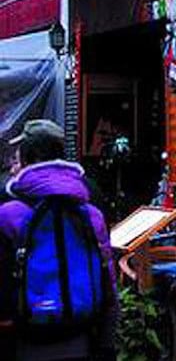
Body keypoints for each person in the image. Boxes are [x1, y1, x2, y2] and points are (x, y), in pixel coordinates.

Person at [0, 119, 117, 360]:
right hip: (82, 332)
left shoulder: (9, 213)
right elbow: (109, 280)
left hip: (24, 338)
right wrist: (108, 341)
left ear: (26, 164)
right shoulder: (90, 211)